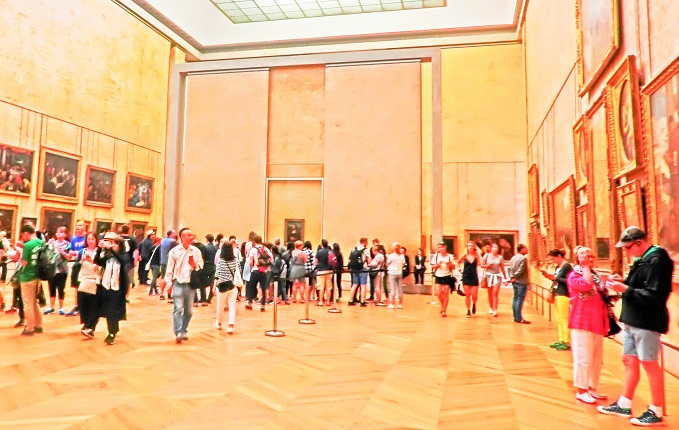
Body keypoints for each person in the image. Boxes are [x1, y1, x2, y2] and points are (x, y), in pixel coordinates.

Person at [598, 227, 673, 426]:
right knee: (629, 360)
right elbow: (639, 286)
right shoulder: (644, 259)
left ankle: (656, 410)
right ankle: (624, 403)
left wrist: (624, 288)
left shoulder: (658, 260)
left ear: (639, 242)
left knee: (649, 363)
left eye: (628, 247)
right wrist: (623, 282)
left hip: (647, 321)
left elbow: (654, 296)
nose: (627, 251)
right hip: (634, 320)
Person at [567, 246, 609, 404]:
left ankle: (592, 387)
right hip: (581, 321)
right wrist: (585, 267)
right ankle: (581, 390)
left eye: (591, 256)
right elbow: (585, 284)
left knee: (596, 359)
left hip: (597, 322)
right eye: (585, 257)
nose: (589, 259)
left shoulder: (596, 276)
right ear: (577, 259)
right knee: (583, 357)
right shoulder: (573, 275)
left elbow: (602, 294)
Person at [163, 228, 203, 343]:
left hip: (190, 284)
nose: (192, 237)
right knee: (178, 309)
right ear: (182, 237)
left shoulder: (196, 251)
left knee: (189, 311)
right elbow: (169, 268)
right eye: (189, 235)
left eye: (192, 235)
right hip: (178, 283)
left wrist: (195, 265)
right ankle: (178, 332)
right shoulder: (174, 251)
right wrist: (168, 283)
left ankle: (184, 329)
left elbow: (201, 265)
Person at [92, 233, 132, 345]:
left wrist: (111, 250)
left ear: (120, 245)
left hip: (117, 289)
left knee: (112, 311)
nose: (112, 245)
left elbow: (122, 261)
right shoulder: (109, 256)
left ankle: (111, 334)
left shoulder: (125, 256)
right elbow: (98, 261)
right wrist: (99, 249)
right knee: (109, 311)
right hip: (106, 287)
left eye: (115, 243)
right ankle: (113, 330)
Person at [541, 249, 573, 350]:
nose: (553, 261)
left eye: (554, 258)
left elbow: (569, 281)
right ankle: (561, 339)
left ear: (559, 256)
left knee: (564, 319)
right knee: (559, 319)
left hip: (563, 293)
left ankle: (567, 341)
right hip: (557, 292)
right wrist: (551, 277)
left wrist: (555, 278)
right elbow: (557, 279)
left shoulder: (566, 266)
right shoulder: (558, 267)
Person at [18, 224, 44, 336]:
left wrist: (18, 254)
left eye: (22, 235)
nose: (22, 238)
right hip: (37, 275)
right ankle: (38, 325)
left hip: (27, 276)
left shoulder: (28, 245)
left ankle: (30, 328)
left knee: (27, 303)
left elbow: (24, 263)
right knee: (34, 302)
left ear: (26, 233)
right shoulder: (42, 243)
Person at [78, 232, 101, 339]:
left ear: (96, 240)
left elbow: (100, 266)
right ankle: (86, 323)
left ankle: (90, 326)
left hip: (95, 280)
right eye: (88, 239)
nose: (90, 241)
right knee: (82, 303)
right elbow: (78, 264)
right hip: (84, 279)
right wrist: (81, 261)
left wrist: (92, 261)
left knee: (93, 304)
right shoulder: (83, 251)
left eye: (92, 239)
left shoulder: (99, 252)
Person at [44, 226, 70, 315]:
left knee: (61, 289)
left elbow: (69, 257)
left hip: (62, 270)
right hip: (52, 269)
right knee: (51, 288)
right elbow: (46, 254)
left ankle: (61, 307)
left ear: (65, 234)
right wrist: (47, 244)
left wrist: (63, 252)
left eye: (61, 232)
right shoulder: (52, 243)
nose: (58, 234)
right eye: (57, 232)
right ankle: (51, 307)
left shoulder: (67, 244)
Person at [214, 241, 239, 333]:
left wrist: (214, 285)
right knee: (232, 306)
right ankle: (230, 326)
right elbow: (238, 270)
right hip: (232, 285)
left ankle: (219, 323)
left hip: (222, 285)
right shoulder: (235, 260)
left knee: (220, 306)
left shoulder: (221, 260)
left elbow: (217, 273)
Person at [246, 235, 273, 312]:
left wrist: (252, 268)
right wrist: (266, 266)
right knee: (264, 288)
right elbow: (271, 259)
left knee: (252, 287)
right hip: (264, 271)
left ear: (254, 241)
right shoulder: (266, 249)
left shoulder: (253, 250)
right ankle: (263, 305)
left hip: (255, 270)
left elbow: (251, 261)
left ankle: (250, 303)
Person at [66, 219, 87, 316]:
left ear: (84, 227)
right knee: (76, 286)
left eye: (80, 225)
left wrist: (78, 253)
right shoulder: (73, 239)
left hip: (86, 265)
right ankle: (77, 305)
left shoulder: (87, 238)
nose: (78, 227)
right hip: (77, 264)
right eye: (77, 225)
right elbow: (69, 251)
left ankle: (84, 306)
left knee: (84, 286)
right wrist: (71, 253)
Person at [481, 243, 508, 317]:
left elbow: (502, 268)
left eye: (497, 247)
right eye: (494, 247)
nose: (495, 249)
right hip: (489, 276)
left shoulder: (500, 257)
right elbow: (482, 265)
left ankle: (495, 310)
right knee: (490, 293)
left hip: (497, 276)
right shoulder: (487, 255)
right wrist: (488, 265)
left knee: (495, 292)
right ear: (491, 248)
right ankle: (491, 307)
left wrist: (505, 278)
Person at [457, 242, 481, 318]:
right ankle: (468, 310)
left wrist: (479, 254)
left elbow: (482, 262)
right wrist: (459, 269)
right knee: (467, 295)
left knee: (474, 294)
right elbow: (457, 262)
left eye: (471, 246)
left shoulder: (476, 256)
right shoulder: (464, 255)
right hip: (466, 276)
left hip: (474, 276)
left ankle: (474, 303)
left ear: (474, 247)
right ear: (467, 247)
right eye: (469, 246)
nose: (470, 247)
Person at [508, 244, 530, 324]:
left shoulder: (513, 258)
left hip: (515, 281)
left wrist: (511, 277)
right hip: (521, 281)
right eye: (525, 248)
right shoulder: (523, 258)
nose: (527, 249)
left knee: (515, 298)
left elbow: (509, 269)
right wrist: (515, 277)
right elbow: (521, 270)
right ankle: (519, 318)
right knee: (519, 299)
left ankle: (515, 316)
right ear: (522, 249)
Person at [432, 241, 455, 317]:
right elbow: (433, 266)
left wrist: (449, 265)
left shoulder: (450, 256)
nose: (441, 249)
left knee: (445, 293)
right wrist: (437, 265)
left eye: (442, 247)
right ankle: (443, 305)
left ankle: (444, 310)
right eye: (439, 247)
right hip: (438, 275)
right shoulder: (436, 256)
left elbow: (453, 267)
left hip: (447, 276)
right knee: (439, 293)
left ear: (445, 247)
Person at [347, 237, 371, 307]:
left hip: (354, 269)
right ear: (364, 242)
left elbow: (350, 259)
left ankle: (350, 300)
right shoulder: (366, 250)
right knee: (363, 285)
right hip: (362, 268)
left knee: (354, 284)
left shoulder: (354, 249)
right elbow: (369, 260)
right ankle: (362, 301)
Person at [314, 239, 334, 306]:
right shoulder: (330, 252)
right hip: (329, 271)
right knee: (328, 287)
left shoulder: (319, 252)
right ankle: (328, 302)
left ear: (321, 244)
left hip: (321, 271)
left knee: (321, 287)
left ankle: (321, 301)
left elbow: (315, 262)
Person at [159, 230, 177, 301]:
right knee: (170, 278)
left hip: (163, 261)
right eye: (174, 233)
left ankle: (161, 293)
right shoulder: (173, 241)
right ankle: (169, 294)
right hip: (170, 262)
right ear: (171, 234)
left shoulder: (163, 240)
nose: (175, 234)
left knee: (163, 277)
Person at [386, 242, 405, 309]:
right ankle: (400, 304)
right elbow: (403, 264)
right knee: (400, 289)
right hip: (399, 273)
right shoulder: (402, 256)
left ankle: (392, 304)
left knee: (393, 289)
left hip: (392, 273)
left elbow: (387, 264)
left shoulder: (391, 256)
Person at [203, 234, 219, 304]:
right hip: (214, 266)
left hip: (206, 266)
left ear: (207, 239)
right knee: (212, 283)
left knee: (203, 281)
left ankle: (203, 298)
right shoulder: (216, 248)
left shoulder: (205, 247)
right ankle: (209, 298)